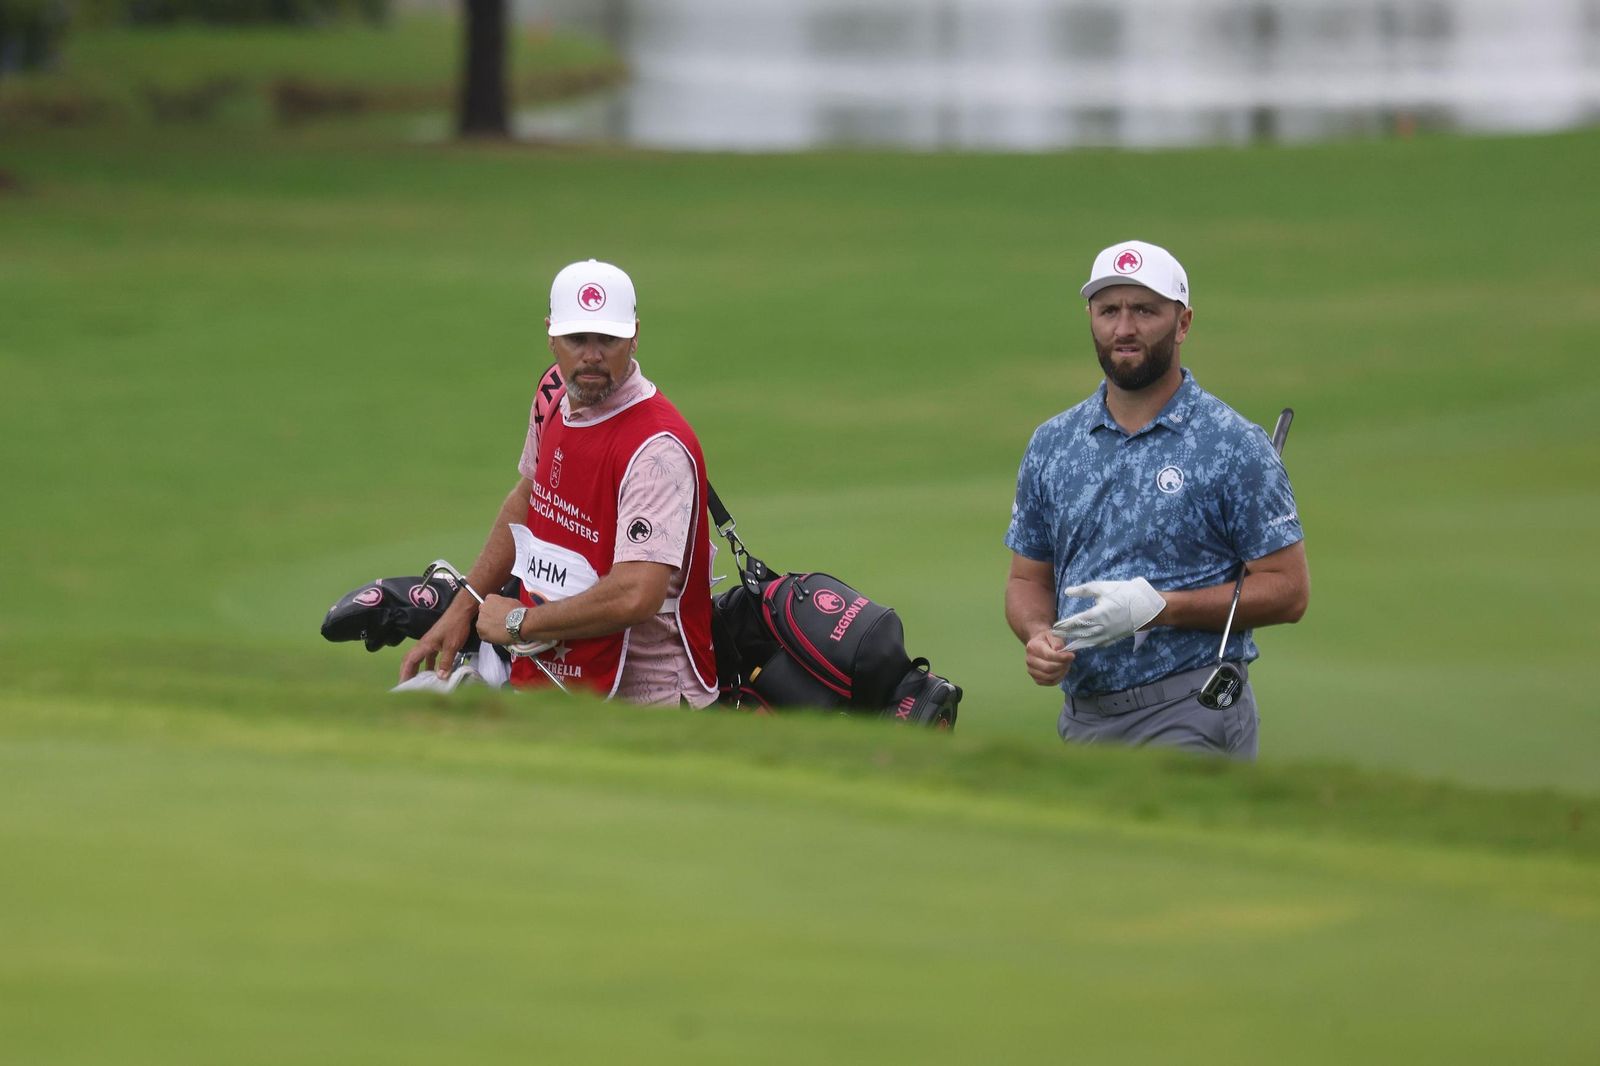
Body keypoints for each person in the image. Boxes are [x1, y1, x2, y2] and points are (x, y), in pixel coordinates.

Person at [1003, 240, 1309, 758]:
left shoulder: (1231, 443)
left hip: (1192, 708)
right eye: (1109, 311)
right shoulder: (1053, 443)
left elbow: (1288, 591)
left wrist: (1161, 609)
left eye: (1144, 310)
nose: (1124, 328)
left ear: (1183, 323)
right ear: (1091, 318)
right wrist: (1038, 636)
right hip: (1083, 717)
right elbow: (1026, 578)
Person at [400, 259, 719, 707]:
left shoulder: (656, 448)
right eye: (577, 339)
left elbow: (637, 593)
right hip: (552, 672)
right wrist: (463, 606)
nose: (592, 355)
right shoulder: (552, 394)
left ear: (635, 336)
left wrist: (518, 624)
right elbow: (529, 497)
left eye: (608, 339)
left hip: (648, 697)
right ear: (551, 334)